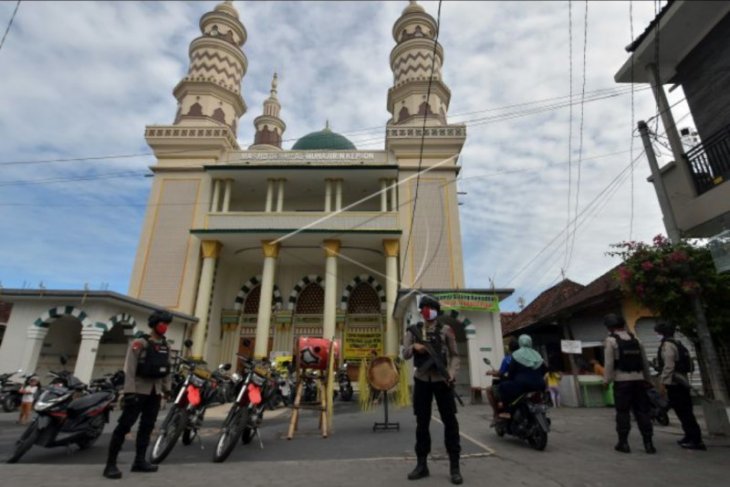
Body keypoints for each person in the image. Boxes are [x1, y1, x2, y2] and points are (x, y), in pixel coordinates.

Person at [103, 310, 173, 479]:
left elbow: (167, 370)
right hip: (138, 391)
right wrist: (128, 392)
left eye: (166, 324)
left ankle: (139, 461)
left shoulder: (165, 345)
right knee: (124, 426)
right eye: (162, 323)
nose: (164, 327)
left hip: (155, 392)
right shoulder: (140, 343)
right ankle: (110, 464)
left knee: (147, 427)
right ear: (154, 324)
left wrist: (167, 389)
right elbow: (130, 369)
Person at [402, 295, 462, 485]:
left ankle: (454, 466)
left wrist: (451, 373)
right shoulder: (413, 330)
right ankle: (422, 465)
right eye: (424, 308)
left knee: (450, 422)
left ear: (436, 310)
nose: (427, 310)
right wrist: (414, 347)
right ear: (421, 311)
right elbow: (404, 354)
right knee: (422, 423)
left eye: (430, 307)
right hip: (421, 380)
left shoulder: (446, 330)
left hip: (442, 381)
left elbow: (454, 355)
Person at [602, 313, 655, 454]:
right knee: (643, 412)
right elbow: (644, 362)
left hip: (622, 381)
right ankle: (648, 443)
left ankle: (623, 443)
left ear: (609, 327)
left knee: (623, 412)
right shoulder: (636, 339)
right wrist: (648, 380)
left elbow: (609, 363)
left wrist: (606, 380)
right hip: (639, 380)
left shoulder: (611, 341)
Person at [654, 322, 705, 450]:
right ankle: (689, 436)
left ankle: (696, 440)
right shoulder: (678, 343)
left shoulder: (668, 345)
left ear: (661, 333)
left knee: (684, 412)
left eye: (657, 333)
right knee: (683, 411)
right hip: (681, 381)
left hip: (676, 383)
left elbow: (669, 366)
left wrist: (663, 383)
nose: (657, 335)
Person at [494, 334, 547, 415]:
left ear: (520, 343)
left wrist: (509, 378)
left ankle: (506, 411)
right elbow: (544, 370)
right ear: (530, 342)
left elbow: (511, 372)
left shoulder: (516, 355)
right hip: (540, 385)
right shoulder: (537, 354)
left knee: (502, 387)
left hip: (522, 385)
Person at [486, 338, 519, 419]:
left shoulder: (507, 359)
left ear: (509, 348)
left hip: (510, 384)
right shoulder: (523, 358)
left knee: (489, 389)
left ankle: (496, 413)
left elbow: (501, 373)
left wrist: (491, 372)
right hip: (522, 382)